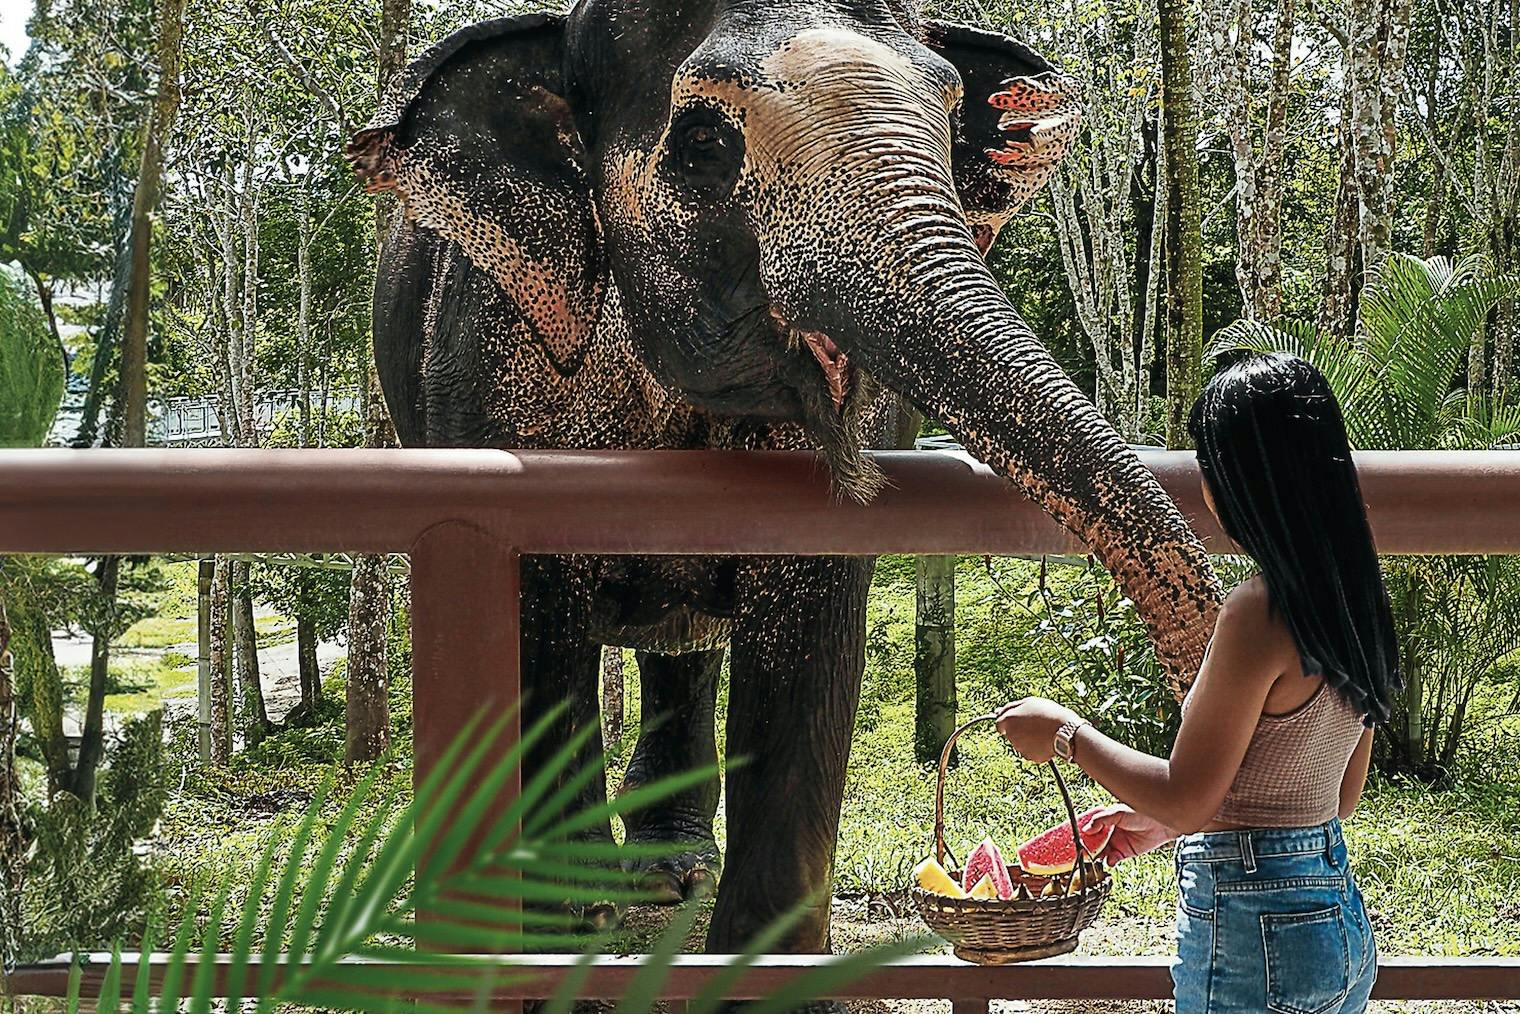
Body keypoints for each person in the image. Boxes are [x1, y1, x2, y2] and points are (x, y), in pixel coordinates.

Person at [995, 353, 1399, 1013]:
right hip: (1337, 926)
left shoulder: (1256, 613)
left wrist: (1065, 733)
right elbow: (1334, 797)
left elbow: (1186, 798)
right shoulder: (1357, 598)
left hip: (1254, 935)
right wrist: (1171, 823)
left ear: (1238, 481)